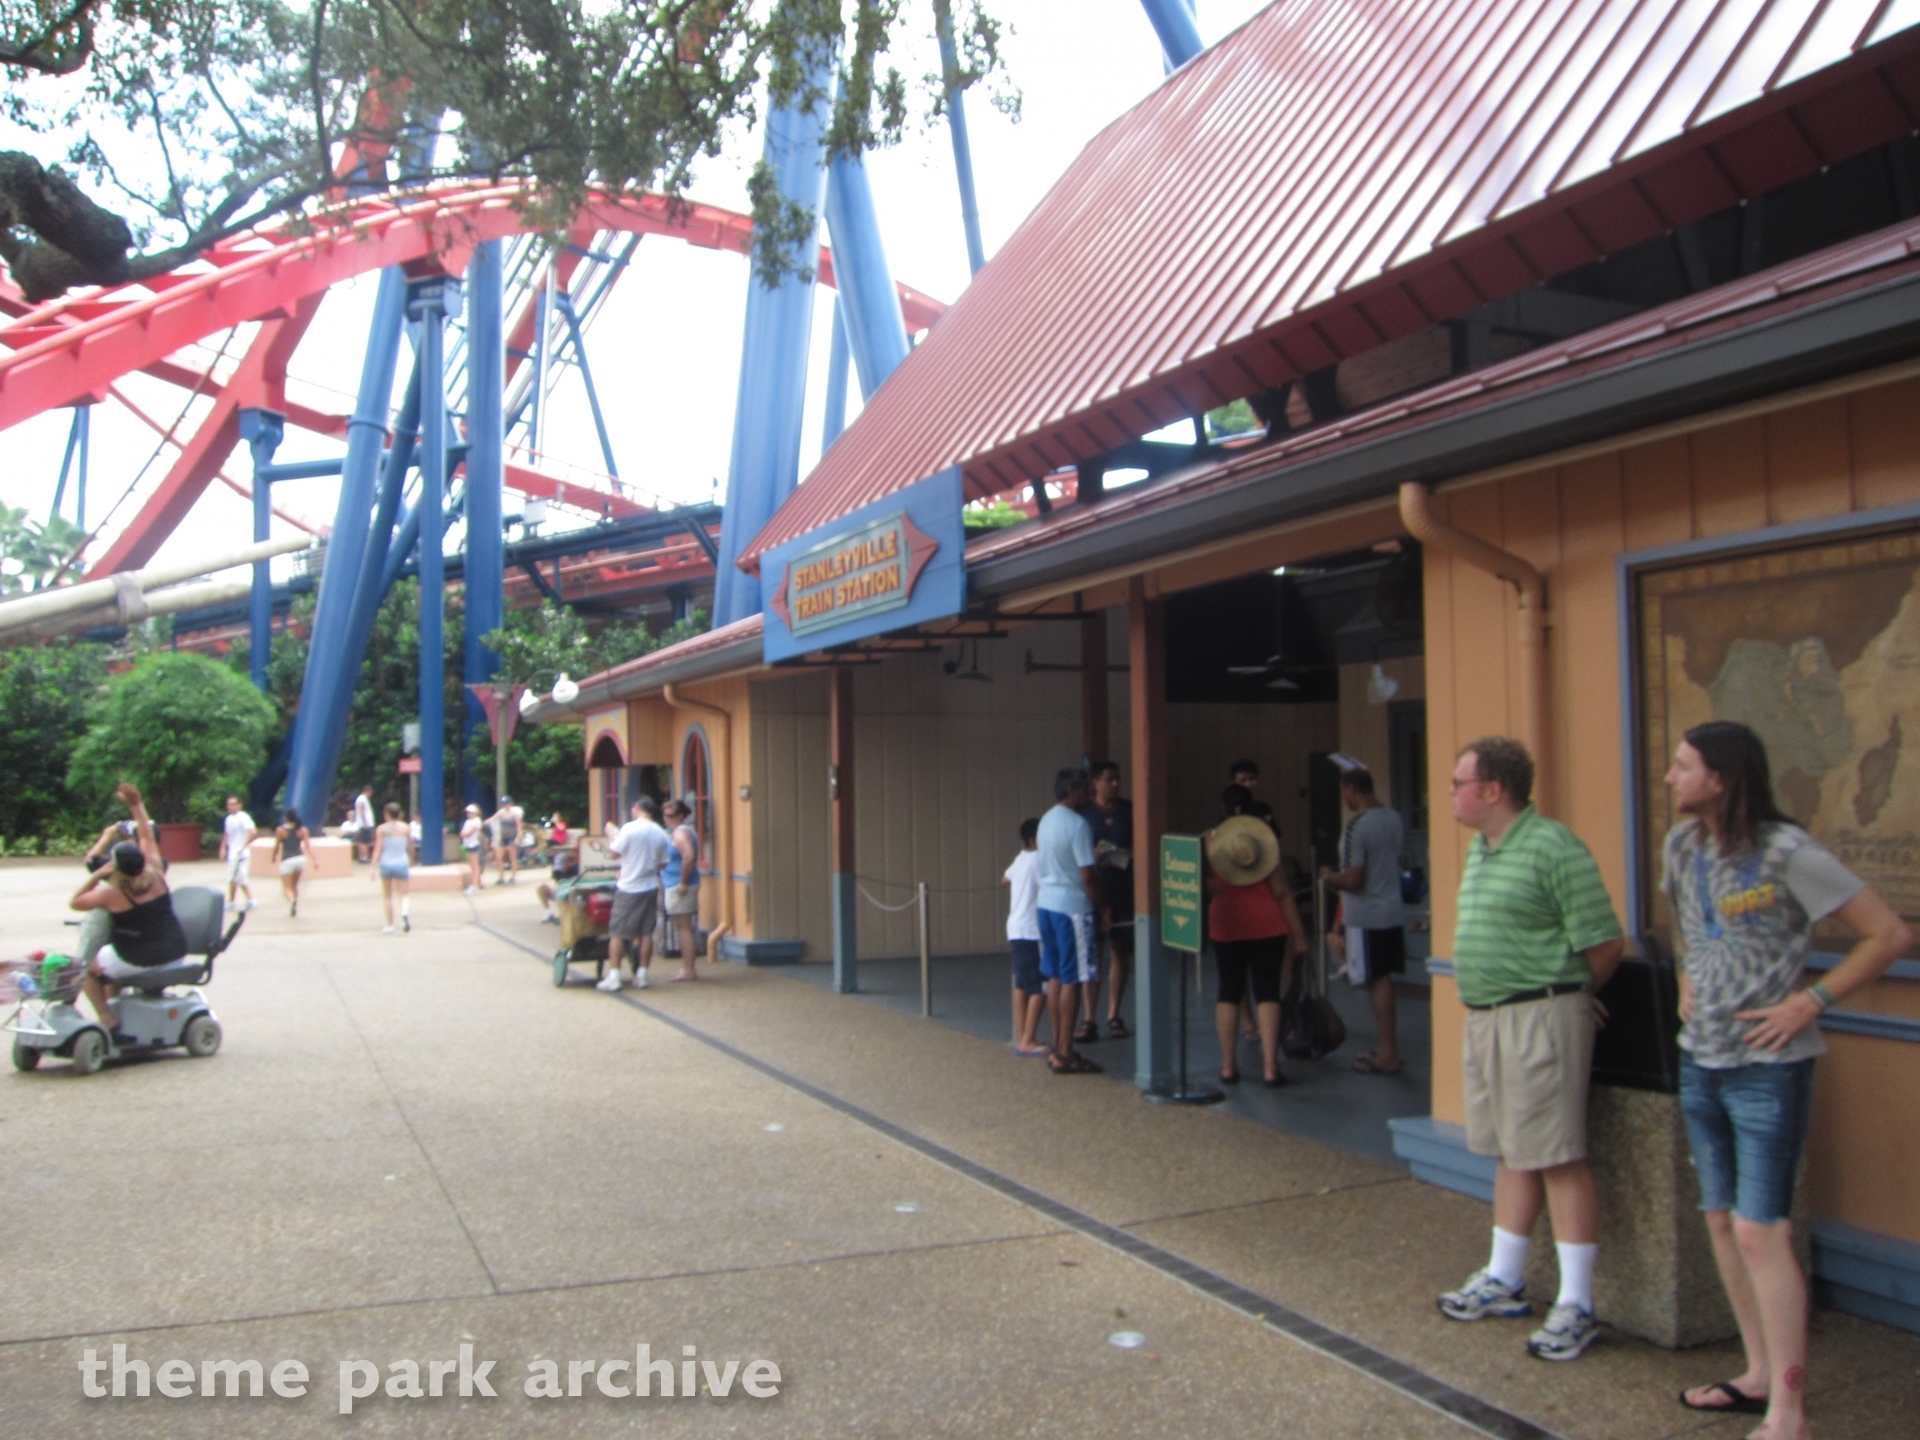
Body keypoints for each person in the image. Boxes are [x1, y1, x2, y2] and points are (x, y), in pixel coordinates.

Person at [1664, 723, 1910, 1436]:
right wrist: (1686, 976)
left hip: (1769, 1067)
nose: (1671, 778)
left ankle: (1789, 1411)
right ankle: (1758, 1373)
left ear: (1723, 778)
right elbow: (1684, 920)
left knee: (1759, 1231)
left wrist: (1811, 1001)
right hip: (1699, 1057)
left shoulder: (1786, 851)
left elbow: (1888, 934)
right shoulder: (1680, 845)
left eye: (1684, 767)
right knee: (1719, 1220)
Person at [1436, 737, 1624, 1363]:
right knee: (1512, 1150)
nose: (1451, 793)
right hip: (1489, 1018)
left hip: (1538, 1017)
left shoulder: (1552, 846)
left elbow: (1603, 943)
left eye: (1459, 782)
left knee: (1557, 1155)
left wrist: (1569, 996)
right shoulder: (1483, 851)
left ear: (1493, 790)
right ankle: (1505, 1278)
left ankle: (1577, 1304)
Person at [69, 784, 186, 1040]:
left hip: (145, 957)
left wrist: (99, 874)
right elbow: (146, 836)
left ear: (115, 867)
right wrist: (137, 803)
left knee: (87, 968)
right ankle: (116, 1007)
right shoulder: (156, 871)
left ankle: (107, 1018)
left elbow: (76, 902)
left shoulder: (113, 893)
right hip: (176, 951)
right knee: (113, 961)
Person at [1208, 791, 1306, 1086]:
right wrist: (1300, 934)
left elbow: (1198, 878)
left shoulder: (1208, 840)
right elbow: (1283, 892)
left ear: (1222, 808)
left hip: (1226, 924)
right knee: (1267, 992)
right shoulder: (1265, 843)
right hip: (1267, 924)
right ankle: (1270, 1068)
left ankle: (1228, 1066)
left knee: (1228, 991)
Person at [1319, 761, 1408, 1075]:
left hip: (1367, 915)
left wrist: (1329, 876)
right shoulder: (1394, 818)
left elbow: (1353, 880)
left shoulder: (1357, 827)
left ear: (1351, 789)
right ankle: (1387, 1047)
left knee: (1376, 981)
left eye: (1344, 791)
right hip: (1392, 910)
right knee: (1383, 979)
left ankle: (1388, 1052)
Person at [1036, 768, 1107, 1076]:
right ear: (1072, 790)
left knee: (1055, 975)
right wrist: (1104, 907)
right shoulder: (1079, 825)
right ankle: (1066, 1052)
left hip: (1046, 904)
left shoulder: (1046, 820)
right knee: (1074, 978)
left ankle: (1057, 1045)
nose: (1089, 794)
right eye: (1084, 789)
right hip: (1072, 907)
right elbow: (1087, 876)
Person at [1076, 760, 1134, 1041]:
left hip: (1123, 885)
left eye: (1117, 779)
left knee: (1120, 951)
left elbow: (1141, 845)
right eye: (1109, 779)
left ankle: (1114, 1014)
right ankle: (1089, 1018)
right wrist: (1092, 857)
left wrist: (1124, 853)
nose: (1115, 784)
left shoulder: (1129, 811)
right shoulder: (1084, 815)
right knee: (1093, 952)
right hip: (1094, 889)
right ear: (1095, 783)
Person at [597, 796, 669, 992]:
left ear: (636, 808)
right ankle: (642, 975)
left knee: (618, 931)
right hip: (650, 885)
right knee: (646, 932)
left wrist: (611, 834)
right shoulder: (661, 833)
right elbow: (663, 863)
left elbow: (614, 853)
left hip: (629, 885)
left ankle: (614, 976)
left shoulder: (629, 828)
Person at [1003, 817, 1048, 1057]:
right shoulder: (1040, 860)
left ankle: (1022, 1035)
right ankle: (1028, 1039)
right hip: (1033, 930)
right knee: (1040, 986)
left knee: (1021, 983)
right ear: (1034, 840)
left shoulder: (1020, 859)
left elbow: (1005, 878)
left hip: (1015, 927)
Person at [660, 798, 702, 982]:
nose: (665, 819)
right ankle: (687, 968)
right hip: (675, 882)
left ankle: (688, 969)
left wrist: (683, 882)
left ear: (680, 816)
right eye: (664, 815)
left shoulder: (680, 834)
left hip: (680, 885)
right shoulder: (680, 832)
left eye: (670, 816)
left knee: (684, 927)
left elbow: (688, 857)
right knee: (683, 926)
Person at [372, 802, 414, 934]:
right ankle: (404, 913)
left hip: (386, 863)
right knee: (403, 894)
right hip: (402, 862)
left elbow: (378, 849)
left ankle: (390, 925)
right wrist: (411, 859)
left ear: (387, 814)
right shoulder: (405, 828)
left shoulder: (381, 829)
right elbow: (410, 846)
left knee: (387, 896)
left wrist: (372, 867)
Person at [274, 807, 316, 917]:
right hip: (300, 859)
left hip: (287, 860)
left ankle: (292, 900)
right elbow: (308, 846)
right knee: (294, 885)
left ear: (286, 818)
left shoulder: (281, 830)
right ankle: (295, 904)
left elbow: (277, 846)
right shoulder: (302, 830)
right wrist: (315, 860)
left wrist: (273, 856)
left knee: (287, 888)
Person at [536, 812, 577, 924]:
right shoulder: (558, 862)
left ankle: (567, 916)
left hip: (568, 891)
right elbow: (556, 876)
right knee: (541, 889)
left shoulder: (574, 865)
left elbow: (561, 828)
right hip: (560, 889)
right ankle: (549, 912)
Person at [219, 795, 257, 913]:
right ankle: (232, 901)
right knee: (234, 877)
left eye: (232, 804)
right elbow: (226, 834)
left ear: (239, 805)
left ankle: (248, 900)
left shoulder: (243, 817)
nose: (229, 806)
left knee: (239, 877)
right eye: (228, 804)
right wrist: (223, 847)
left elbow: (253, 832)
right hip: (233, 852)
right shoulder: (229, 819)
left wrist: (243, 846)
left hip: (241, 854)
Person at [488, 795, 524, 885]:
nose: (505, 805)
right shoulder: (501, 813)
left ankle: (514, 877)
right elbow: (492, 819)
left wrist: (517, 838)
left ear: (510, 804)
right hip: (503, 837)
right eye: (504, 804)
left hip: (512, 836)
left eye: (507, 803)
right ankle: (501, 877)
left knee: (512, 857)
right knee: (499, 857)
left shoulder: (515, 814)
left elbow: (519, 827)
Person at [459, 804, 485, 895]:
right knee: (472, 866)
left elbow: (467, 833)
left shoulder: (477, 821)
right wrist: (464, 833)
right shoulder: (467, 821)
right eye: (467, 812)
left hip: (473, 845)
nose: (468, 814)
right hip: (467, 845)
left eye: (470, 812)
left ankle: (475, 886)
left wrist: (464, 833)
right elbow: (462, 832)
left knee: (475, 866)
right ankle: (477, 883)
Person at [348, 785, 377, 863]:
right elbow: (362, 811)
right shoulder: (362, 799)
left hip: (363, 824)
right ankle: (365, 857)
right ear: (368, 791)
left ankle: (362, 857)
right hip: (365, 824)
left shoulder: (361, 799)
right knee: (365, 841)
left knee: (362, 841)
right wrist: (365, 823)